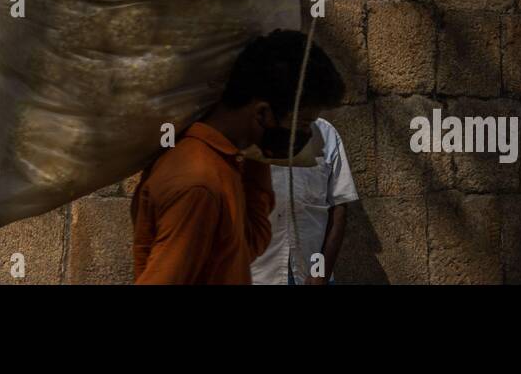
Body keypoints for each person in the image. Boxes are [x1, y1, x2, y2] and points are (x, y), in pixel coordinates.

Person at [131, 29, 346, 285]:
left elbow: (250, 243)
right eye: (302, 124)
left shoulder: (225, 164)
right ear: (263, 114)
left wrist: (258, 156)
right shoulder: (198, 182)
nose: (306, 136)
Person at [250, 116, 358, 285]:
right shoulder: (251, 132)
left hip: (311, 274)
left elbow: (339, 207)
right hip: (258, 274)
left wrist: (320, 271)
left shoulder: (325, 132)